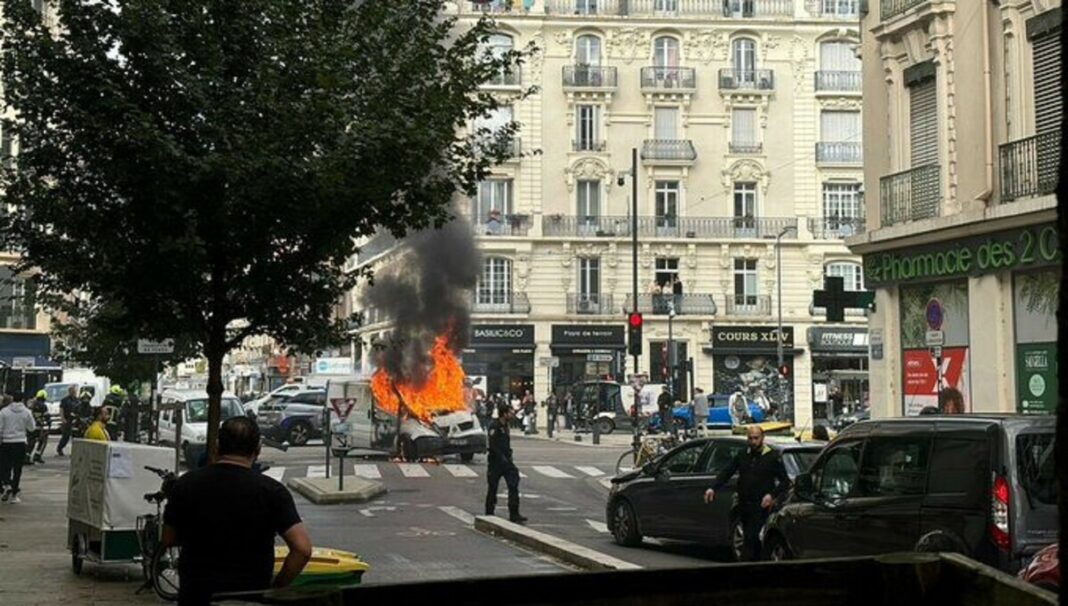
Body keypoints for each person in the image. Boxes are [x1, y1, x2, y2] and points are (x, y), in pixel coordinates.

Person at [162, 417, 312, 605]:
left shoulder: (185, 485)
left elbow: (168, 539)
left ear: (217, 446)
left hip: (198, 595)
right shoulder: (272, 492)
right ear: (257, 450)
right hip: (250, 596)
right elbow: (302, 549)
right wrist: (276, 587)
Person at [703, 426, 790, 561]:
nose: (753, 441)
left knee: (751, 538)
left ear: (762, 438)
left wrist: (771, 495)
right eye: (750, 438)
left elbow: (785, 482)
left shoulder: (772, 457)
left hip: (761, 506)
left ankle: (748, 562)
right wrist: (713, 488)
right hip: (744, 504)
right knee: (750, 539)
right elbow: (728, 471)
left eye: (756, 438)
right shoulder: (743, 454)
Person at [485, 401, 527, 524]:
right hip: (496, 463)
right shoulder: (494, 426)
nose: (512, 414)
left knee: (513, 485)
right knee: (492, 488)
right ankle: (489, 513)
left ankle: (514, 513)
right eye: (510, 412)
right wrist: (501, 457)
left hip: (507, 463)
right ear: (504, 414)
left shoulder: (505, 426)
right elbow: (493, 445)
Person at [0, 393, 36, 503]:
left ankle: (7, 484)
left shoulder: (4, 412)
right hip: (20, 442)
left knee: (5, 466)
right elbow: (32, 428)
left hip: (6, 442)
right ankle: (14, 494)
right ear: (22, 399)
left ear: (12, 399)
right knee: (17, 469)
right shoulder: (27, 412)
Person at [55, 385, 80, 456]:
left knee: (75, 437)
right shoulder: (65, 400)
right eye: (72, 391)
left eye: (74, 391)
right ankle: (59, 448)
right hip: (67, 420)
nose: (73, 392)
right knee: (66, 436)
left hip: (75, 421)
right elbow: (61, 410)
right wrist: (63, 419)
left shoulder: (77, 400)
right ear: (69, 391)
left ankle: (74, 451)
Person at [27, 390, 50, 464]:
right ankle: (37, 455)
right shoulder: (43, 406)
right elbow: (47, 416)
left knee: (31, 441)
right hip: (40, 427)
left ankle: (27, 456)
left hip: (31, 426)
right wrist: (49, 423)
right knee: (42, 441)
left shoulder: (31, 405)